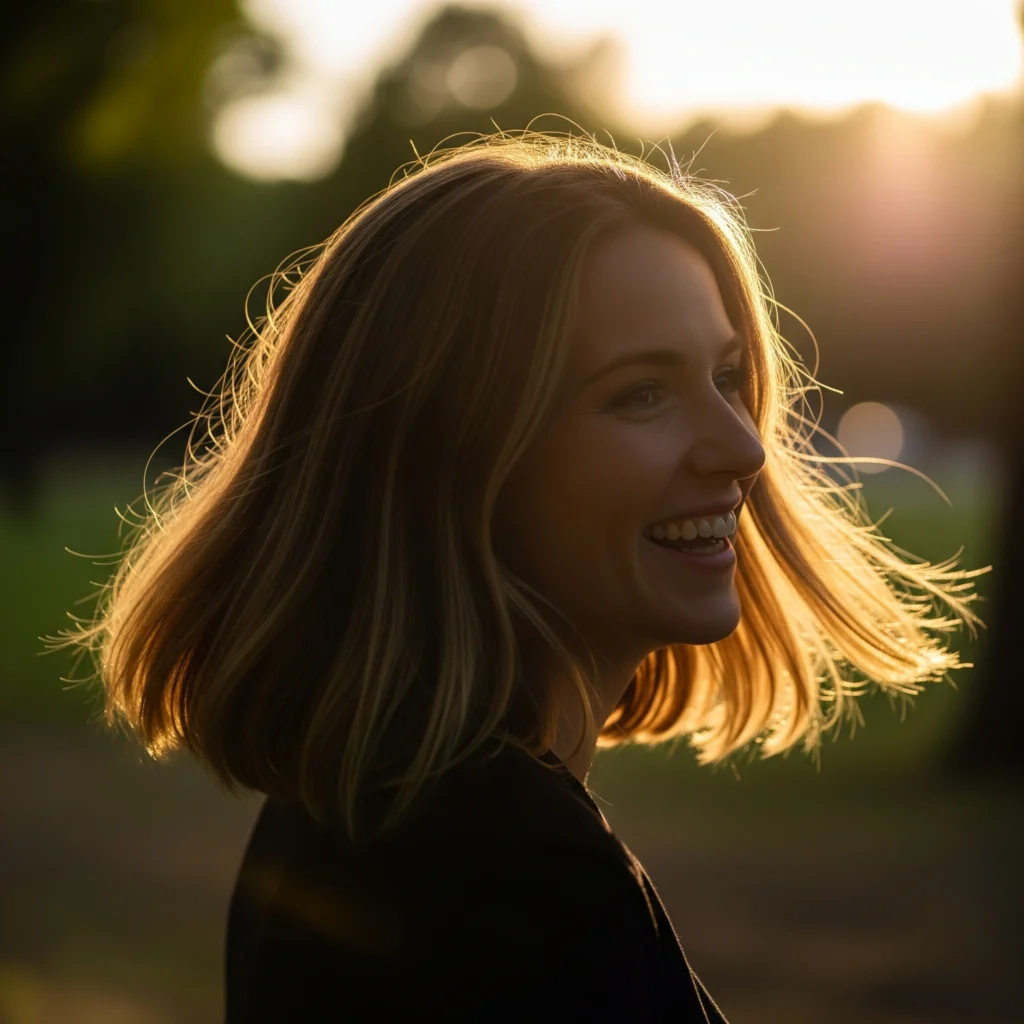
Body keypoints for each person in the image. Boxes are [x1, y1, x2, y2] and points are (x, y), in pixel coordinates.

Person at [59, 133, 985, 1020]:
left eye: (730, 374)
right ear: (449, 458)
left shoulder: (361, 808)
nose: (743, 447)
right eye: (641, 393)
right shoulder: (516, 880)